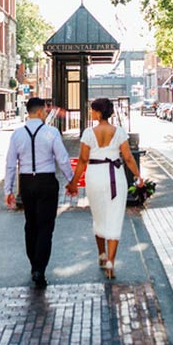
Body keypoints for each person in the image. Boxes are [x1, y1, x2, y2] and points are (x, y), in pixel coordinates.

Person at [67, 96, 143, 280]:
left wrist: (74, 183)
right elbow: (128, 158)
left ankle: (101, 255)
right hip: (115, 176)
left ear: (99, 112)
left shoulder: (88, 133)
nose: (91, 113)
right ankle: (110, 262)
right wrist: (138, 176)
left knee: (98, 216)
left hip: (95, 176)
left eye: (93, 110)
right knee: (114, 217)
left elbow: (83, 161)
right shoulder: (119, 132)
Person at [4, 96, 74, 289]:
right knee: (46, 227)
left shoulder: (17, 135)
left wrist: (8, 190)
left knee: (30, 224)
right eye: (44, 110)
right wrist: (72, 181)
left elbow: (11, 164)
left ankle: (34, 263)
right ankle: (40, 269)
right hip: (46, 182)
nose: (46, 113)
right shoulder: (51, 132)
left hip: (26, 183)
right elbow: (63, 159)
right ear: (38, 112)